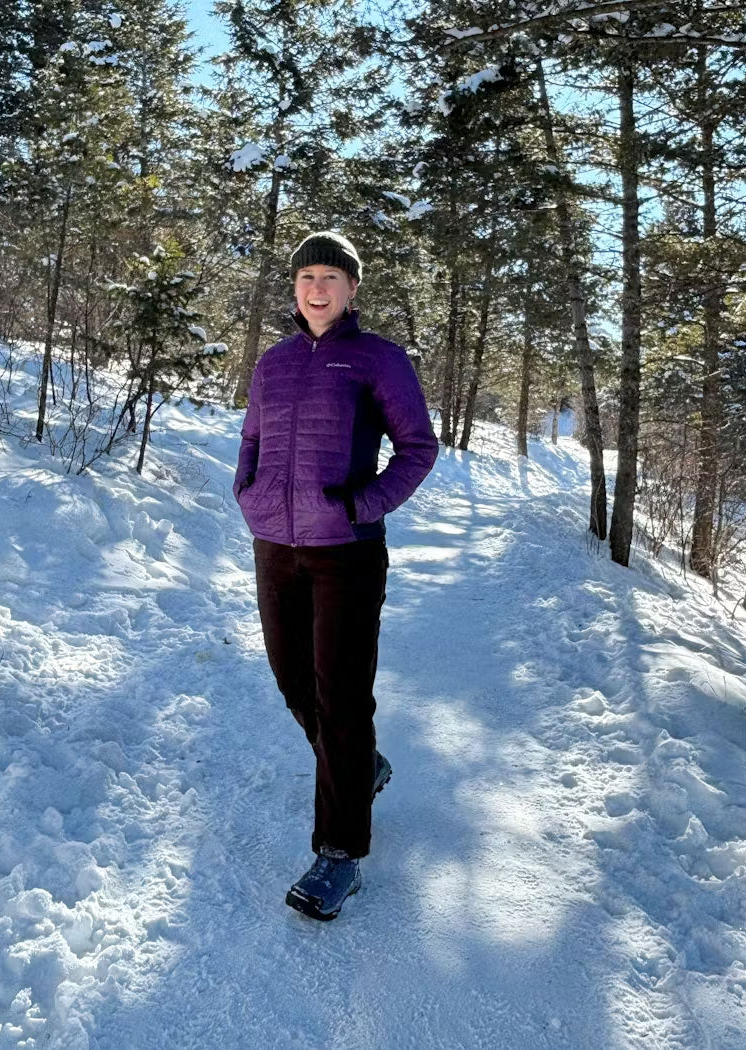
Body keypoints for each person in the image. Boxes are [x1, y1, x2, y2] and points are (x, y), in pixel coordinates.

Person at [234, 231, 437, 920]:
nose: (316, 287)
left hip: (346, 552)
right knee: (294, 682)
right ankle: (359, 769)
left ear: (352, 287)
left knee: (342, 699)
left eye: (330, 276)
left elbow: (417, 447)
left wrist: (361, 503)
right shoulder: (274, 363)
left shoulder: (378, 360)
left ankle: (340, 855)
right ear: (294, 287)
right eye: (306, 276)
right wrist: (250, 494)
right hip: (275, 547)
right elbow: (253, 441)